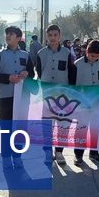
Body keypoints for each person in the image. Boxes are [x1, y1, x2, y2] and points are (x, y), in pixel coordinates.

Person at [0, 26, 35, 169]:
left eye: (11, 34)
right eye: (6, 34)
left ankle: (17, 157)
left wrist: (27, 74)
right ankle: (5, 158)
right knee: (6, 129)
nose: (8, 36)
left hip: (22, 98)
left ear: (18, 37)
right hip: (5, 98)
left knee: (19, 129)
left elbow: (32, 74)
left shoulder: (26, 55)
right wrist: (8, 78)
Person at [36, 24, 76, 165]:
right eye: (50, 35)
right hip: (46, 93)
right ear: (46, 36)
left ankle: (59, 152)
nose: (52, 38)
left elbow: (71, 73)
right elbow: (40, 73)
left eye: (55, 35)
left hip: (63, 94)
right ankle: (47, 151)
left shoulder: (67, 53)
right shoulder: (40, 54)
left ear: (60, 36)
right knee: (46, 124)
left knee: (62, 123)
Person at [71, 40, 99, 166]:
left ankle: (94, 153)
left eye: (97, 56)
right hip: (82, 103)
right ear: (86, 52)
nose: (94, 58)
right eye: (92, 55)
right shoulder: (77, 65)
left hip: (97, 102)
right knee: (81, 128)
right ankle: (78, 155)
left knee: (96, 128)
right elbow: (72, 85)